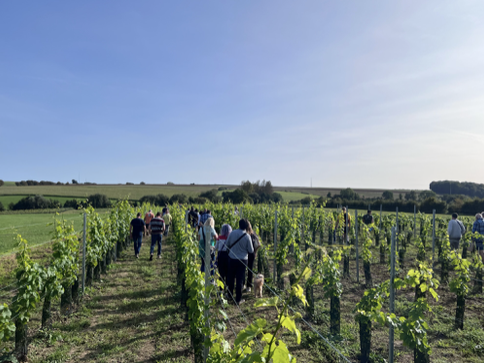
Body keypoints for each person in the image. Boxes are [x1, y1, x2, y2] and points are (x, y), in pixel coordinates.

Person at [226, 219, 254, 305]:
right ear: (246, 226)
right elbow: (251, 250)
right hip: (242, 260)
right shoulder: (247, 236)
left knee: (231, 277)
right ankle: (238, 299)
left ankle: (229, 294)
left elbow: (227, 245)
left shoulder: (232, 233)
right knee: (240, 279)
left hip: (232, 258)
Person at [244, 221, 260, 293]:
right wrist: (255, 252)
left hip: (244, 254)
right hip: (252, 254)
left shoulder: (244, 234)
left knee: (243, 269)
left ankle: (243, 284)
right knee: (250, 270)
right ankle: (248, 286)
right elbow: (258, 244)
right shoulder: (254, 234)